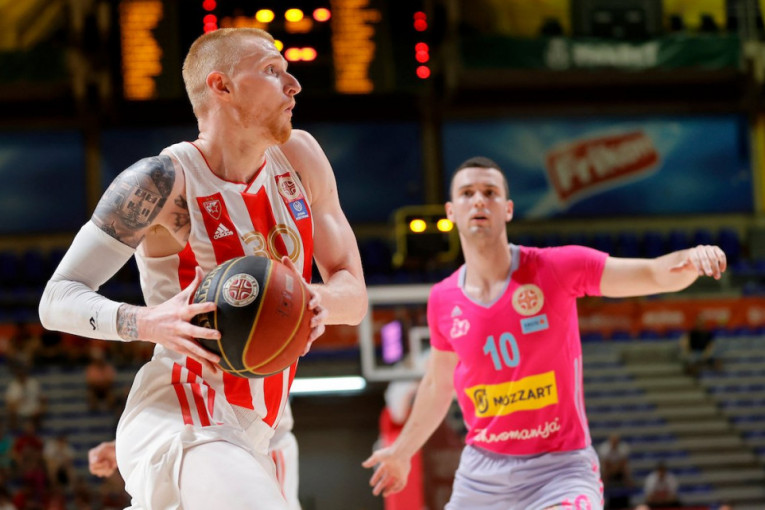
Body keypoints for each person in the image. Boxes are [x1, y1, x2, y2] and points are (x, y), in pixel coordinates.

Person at [40, 27, 367, 509]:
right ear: (221, 86)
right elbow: (56, 298)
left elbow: (353, 296)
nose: (294, 84)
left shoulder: (301, 159)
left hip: (258, 429)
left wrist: (311, 301)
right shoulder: (161, 181)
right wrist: (145, 321)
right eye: (273, 71)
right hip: (184, 409)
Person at [363, 157, 727, 509]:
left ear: (508, 209)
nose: (479, 201)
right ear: (451, 211)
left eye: (490, 192)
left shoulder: (555, 268)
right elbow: (436, 385)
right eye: (467, 193)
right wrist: (402, 451)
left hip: (560, 468)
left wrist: (691, 259)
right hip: (482, 476)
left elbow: (650, 273)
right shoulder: (442, 299)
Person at [598, 433, 633, 509]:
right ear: (610, 441)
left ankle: (627, 499)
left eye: (616, 441)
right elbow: (606, 464)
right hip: (608, 471)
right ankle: (603, 491)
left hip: (620, 471)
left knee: (626, 470)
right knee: (604, 472)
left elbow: (623, 463)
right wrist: (614, 468)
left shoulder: (623, 448)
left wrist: (616, 468)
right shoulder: (604, 449)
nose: (615, 443)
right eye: (613, 441)